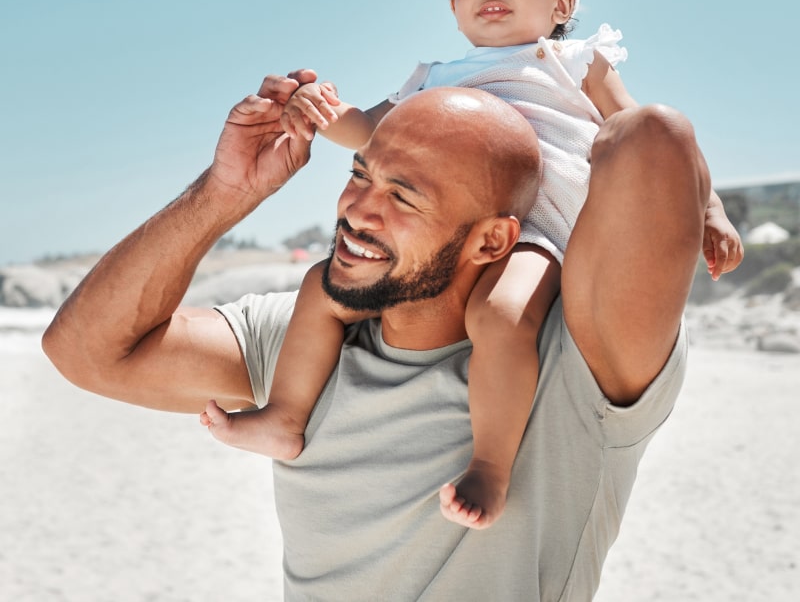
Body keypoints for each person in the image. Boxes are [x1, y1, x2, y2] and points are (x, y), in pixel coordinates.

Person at [44, 83, 730, 599]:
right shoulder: (306, 341)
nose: (357, 210)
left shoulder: (571, 373)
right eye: (360, 175)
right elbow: (86, 351)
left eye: (405, 196)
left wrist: (567, 105)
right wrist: (223, 194)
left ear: (492, 240)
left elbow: (653, 141)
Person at [200, 0, 743, 529]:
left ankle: (491, 464)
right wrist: (322, 112)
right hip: (451, 232)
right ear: (454, 3)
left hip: (538, 230)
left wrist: (709, 209)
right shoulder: (434, 79)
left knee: (502, 313)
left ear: (561, 3)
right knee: (321, 286)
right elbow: (372, 127)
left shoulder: (572, 60)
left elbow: (650, 136)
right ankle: (286, 417)